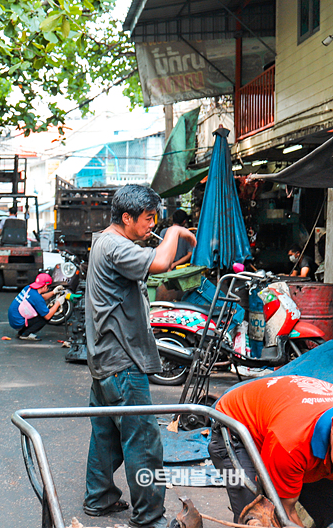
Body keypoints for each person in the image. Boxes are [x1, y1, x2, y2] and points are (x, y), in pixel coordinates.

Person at [82, 185, 196, 528]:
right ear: (127, 217)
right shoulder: (115, 246)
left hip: (104, 360)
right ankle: (150, 517)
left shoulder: (105, 240)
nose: (152, 225)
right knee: (143, 440)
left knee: (106, 434)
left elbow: (156, 266)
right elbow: (161, 261)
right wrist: (176, 230)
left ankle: (99, 498)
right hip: (122, 362)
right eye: (148, 219)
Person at [209, 375, 333, 528]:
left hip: (282, 420)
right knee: (260, 517)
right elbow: (283, 514)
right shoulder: (290, 443)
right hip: (236, 431)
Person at [7, 273, 64, 341]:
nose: (49, 289)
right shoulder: (37, 298)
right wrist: (58, 303)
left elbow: (39, 298)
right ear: (45, 286)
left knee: (40, 310)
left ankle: (22, 332)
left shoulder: (28, 288)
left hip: (14, 319)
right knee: (46, 315)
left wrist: (53, 292)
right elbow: (47, 315)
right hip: (18, 322)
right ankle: (26, 334)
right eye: (49, 287)